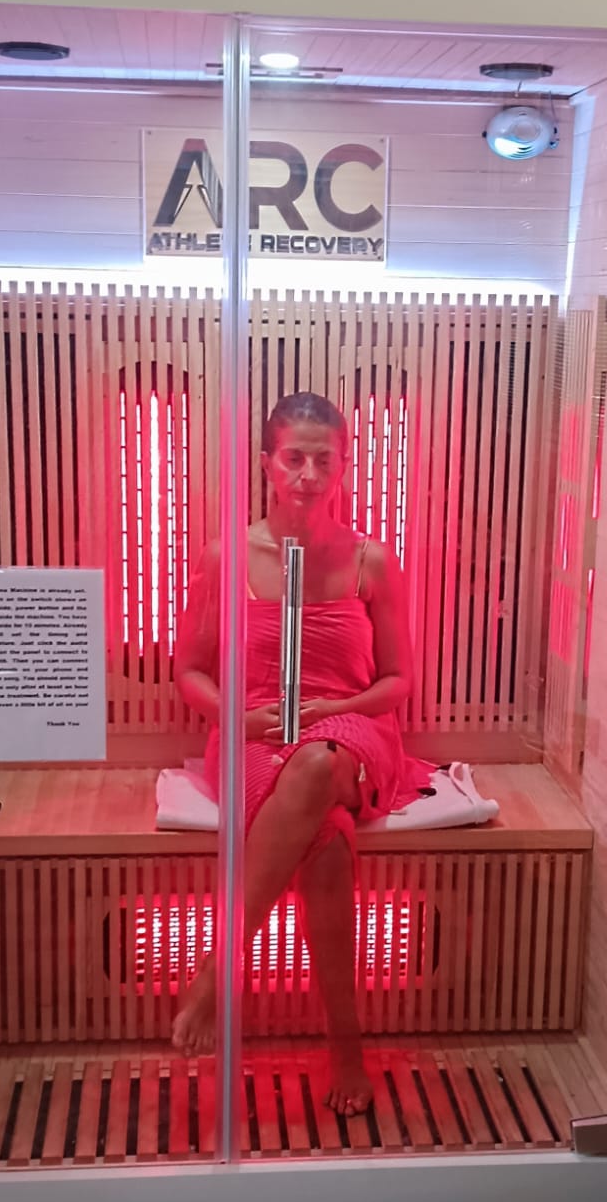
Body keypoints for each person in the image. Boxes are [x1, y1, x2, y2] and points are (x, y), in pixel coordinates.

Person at [173, 392, 432, 1117]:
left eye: (325, 460)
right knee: (326, 841)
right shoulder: (227, 556)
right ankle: (346, 1046)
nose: (309, 474)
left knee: (317, 765)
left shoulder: (371, 561)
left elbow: (397, 681)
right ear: (268, 464)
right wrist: (237, 717)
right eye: (295, 458)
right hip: (255, 733)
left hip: (353, 732)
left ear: (344, 467)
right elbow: (188, 670)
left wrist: (335, 713)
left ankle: (217, 970)